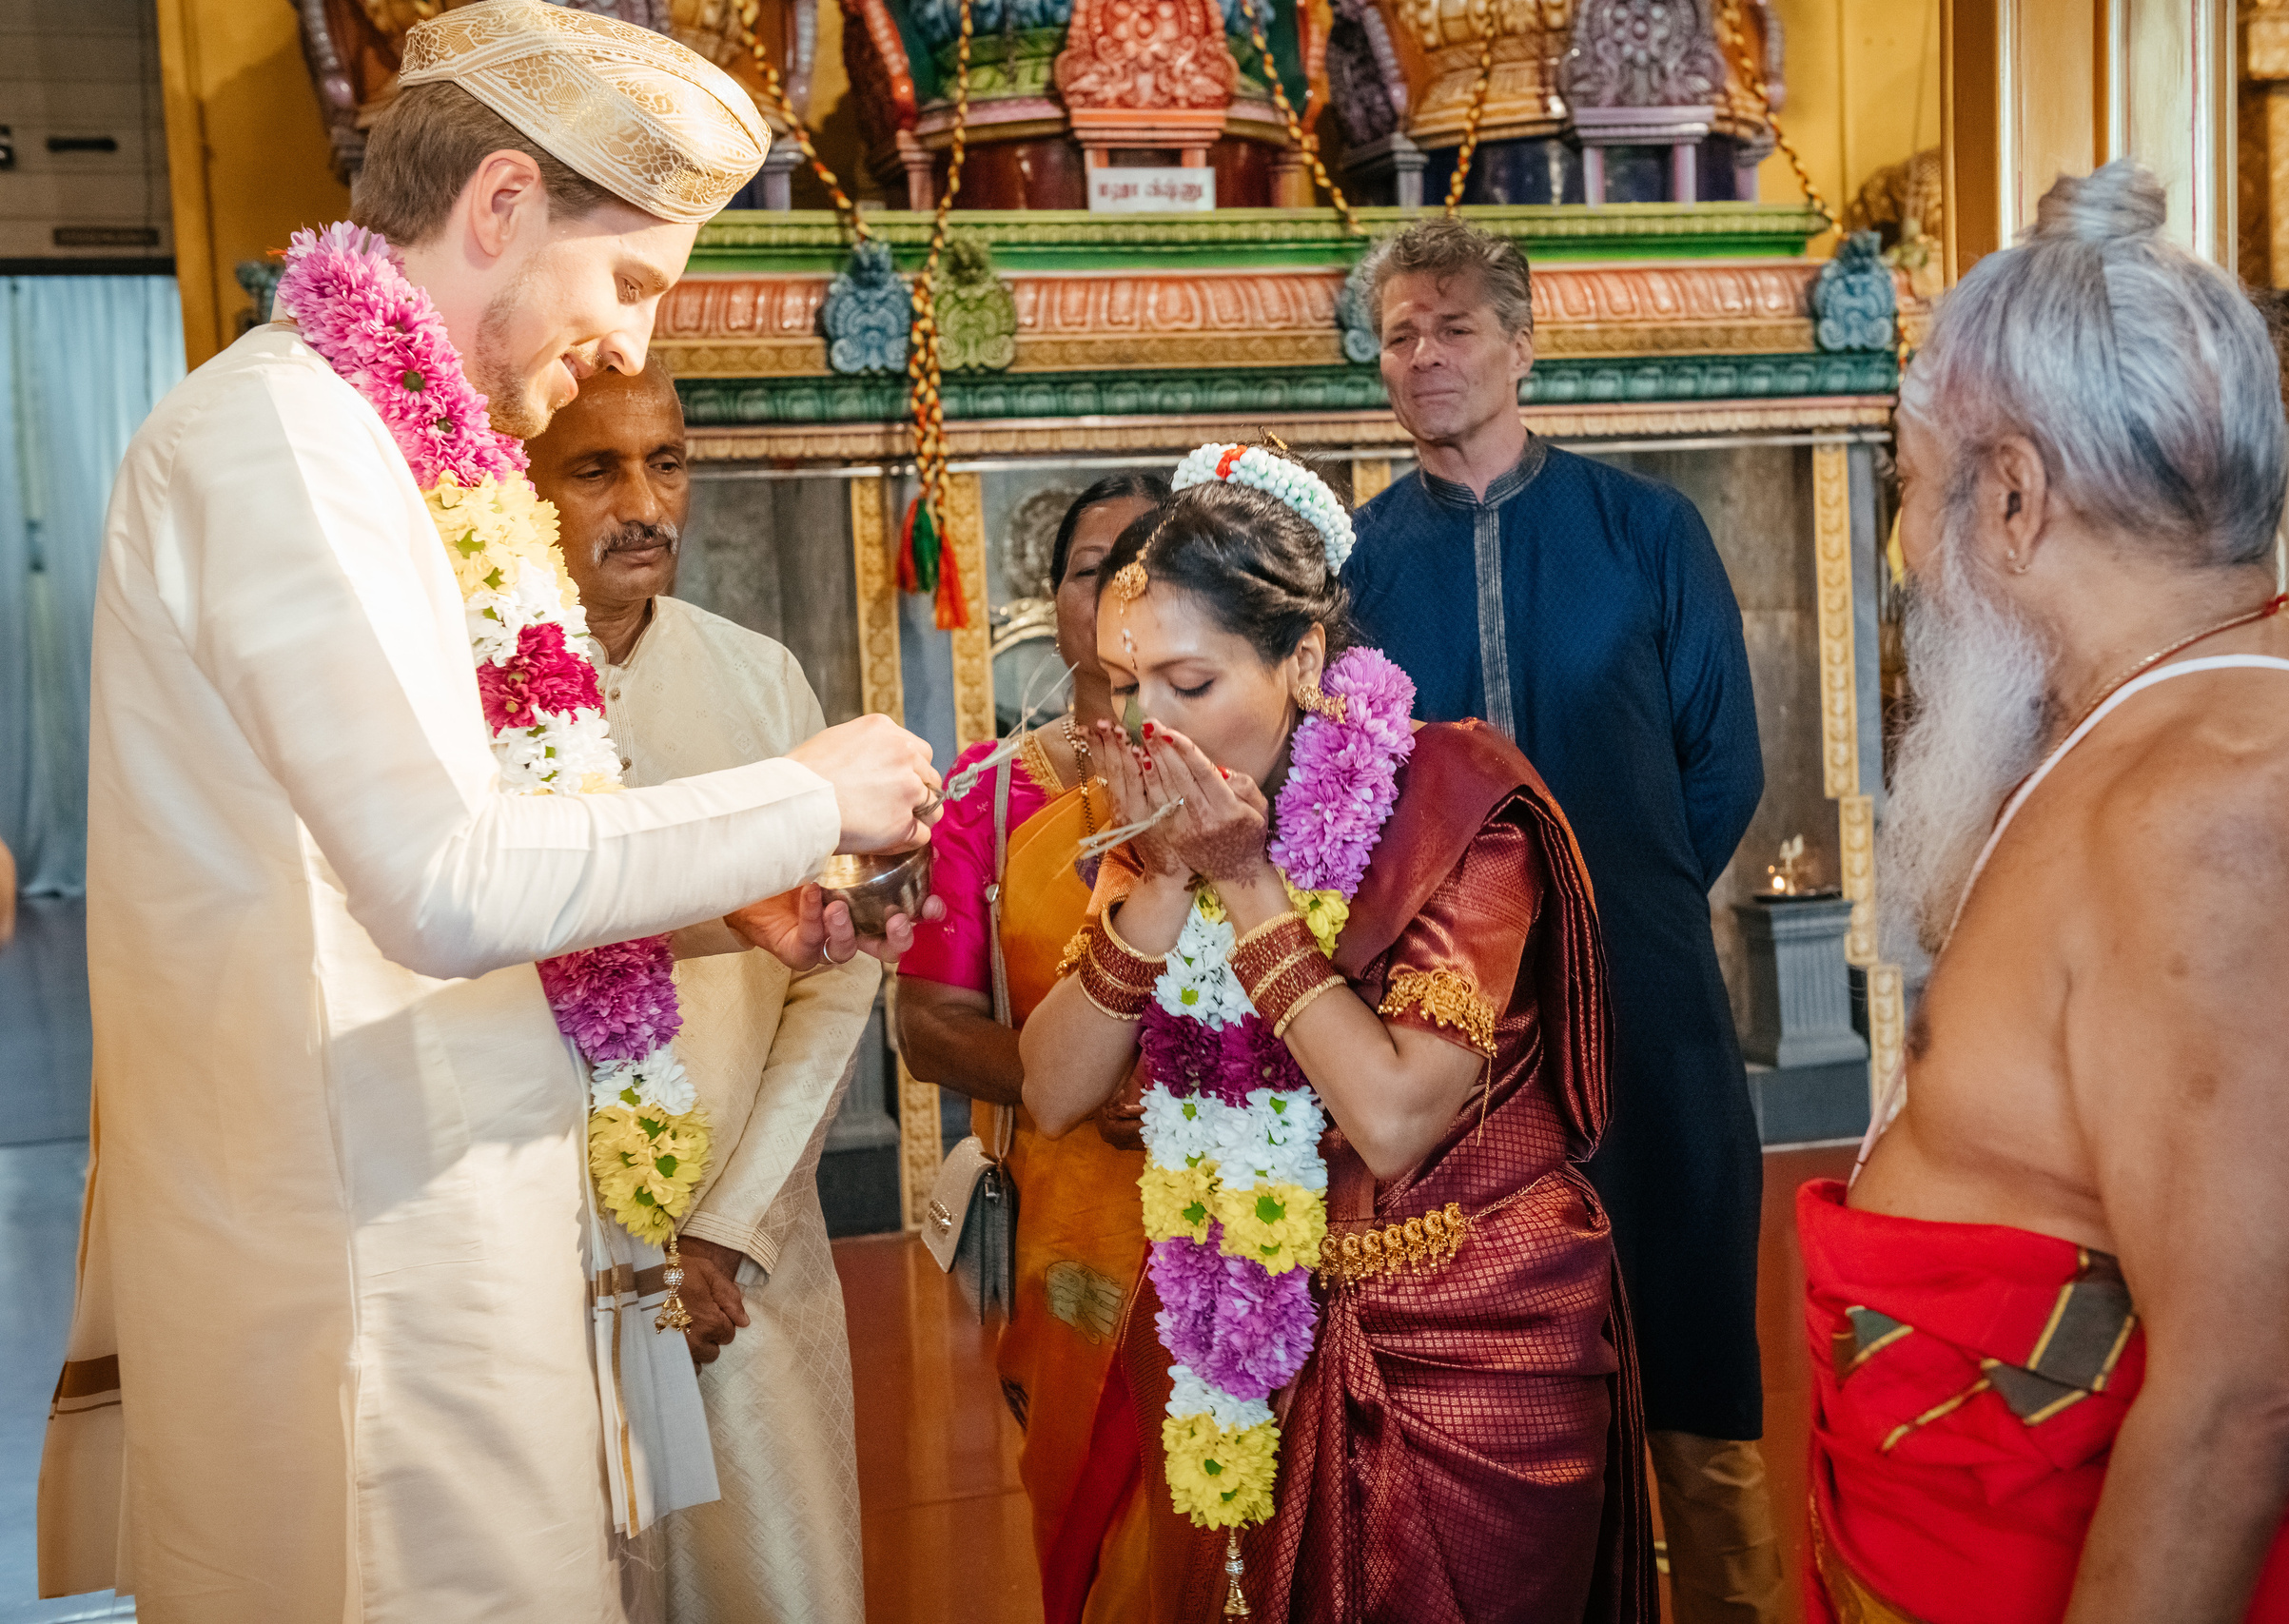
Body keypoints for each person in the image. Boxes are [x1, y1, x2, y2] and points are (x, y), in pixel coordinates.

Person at [38, 5, 942, 1618]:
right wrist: (802, 793)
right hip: (365, 1280)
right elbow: (442, 881)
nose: (629, 346)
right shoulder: (282, 441)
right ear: (504, 203)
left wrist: (715, 906)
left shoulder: (390, 451)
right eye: (630, 281)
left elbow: (428, 849)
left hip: (453, 1227)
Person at [1806, 161, 2289, 1623]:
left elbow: (2246, 1395)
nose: (1909, 552)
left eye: (1911, 488)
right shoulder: (2209, 719)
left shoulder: (2204, 814)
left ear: (2014, 496)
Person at [1020, 451, 1656, 1623]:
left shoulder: (1455, 808)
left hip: (1471, 1347)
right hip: (1243, 1333)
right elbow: (1052, 1093)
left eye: (1188, 682)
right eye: (1123, 684)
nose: (1148, 725)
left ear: (1305, 662)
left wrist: (1243, 883)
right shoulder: (1164, 828)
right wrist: (1162, 888)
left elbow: (1394, 1116)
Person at [1340, 218, 1776, 1621]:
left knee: (1693, 1322)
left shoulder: (1647, 532)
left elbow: (1722, 766)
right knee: (1500, 1357)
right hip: (1448, 1037)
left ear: (1523, 346)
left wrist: (1611, 912)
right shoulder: (1353, 567)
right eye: (1401, 333)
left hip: (1650, 1003)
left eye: (1455, 326)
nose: (1425, 354)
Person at [524, 359, 883, 1624]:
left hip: (744, 1254)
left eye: (666, 463)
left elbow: (836, 968)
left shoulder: (760, 682)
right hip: (539, 1260)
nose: (644, 504)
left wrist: (722, 1231)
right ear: (517, 482)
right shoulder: (457, 702)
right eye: (595, 469)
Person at [896, 474, 1166, 1624]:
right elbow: (926, 1027)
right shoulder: (989, 798)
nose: (1122, 597)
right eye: (1094, 571)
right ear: (1052, 606)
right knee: (1102, 1542)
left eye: (1154, 568)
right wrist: (1076, 1073)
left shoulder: (1270, 781)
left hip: (1261, 1223)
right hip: (1072, 1233)